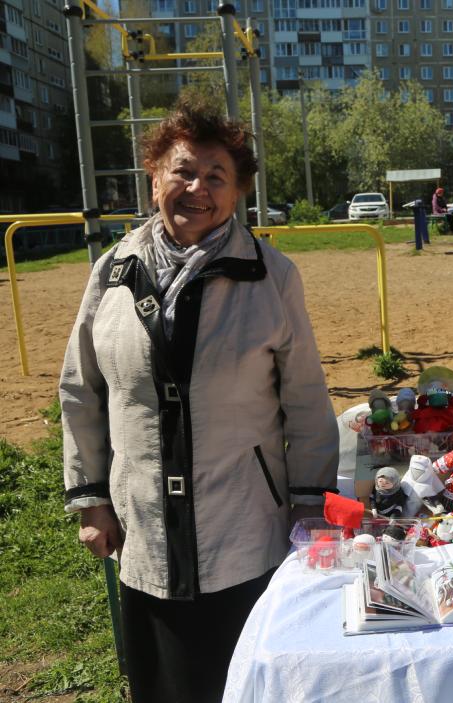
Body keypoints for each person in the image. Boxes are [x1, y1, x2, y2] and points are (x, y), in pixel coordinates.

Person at [59, 97, 339, 703]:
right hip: (144, 528)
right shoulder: (112, 271)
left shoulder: (272, 276)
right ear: (153, 177)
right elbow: (82, 388)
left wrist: (309, 503)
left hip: (243, 529)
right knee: (162, 683)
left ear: (237, 192)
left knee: (244, 683)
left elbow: (308, 401)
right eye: (182, 170)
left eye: (217, 177)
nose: (197, 189)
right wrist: (89, 499)